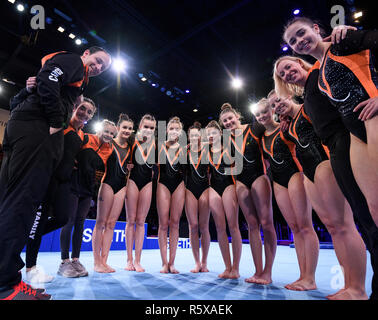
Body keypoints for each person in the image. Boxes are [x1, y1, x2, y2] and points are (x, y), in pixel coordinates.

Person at [0, 47, 111, 300]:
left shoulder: (71, 76)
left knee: (9, 204)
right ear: (86, 54)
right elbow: (49, 77)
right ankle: (6, 286)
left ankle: (7, 280)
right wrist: (54, 121)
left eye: (102, 67)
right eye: (97, 61)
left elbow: (19, 101)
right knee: (20, 206)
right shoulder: (74, 62)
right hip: (35, 134)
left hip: (22, 129)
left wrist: (30, 90)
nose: (97, 67)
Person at [273, 48, 378, 300]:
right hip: (312, 170)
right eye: (282, 73)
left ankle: (357, 288)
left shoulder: (314, 90)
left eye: (289, 67)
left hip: (328, 161)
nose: (288, 73)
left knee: (345, 224)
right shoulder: (293, 118)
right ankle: (348, 285)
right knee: (333, 226)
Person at [283, 17, 378, 228]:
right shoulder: (319, 72)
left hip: (373, 119)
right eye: (293, 41)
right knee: (372, 209)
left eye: (301, 33)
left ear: (316, 28)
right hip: (356, 135)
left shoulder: (342, 42)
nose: (299, 41)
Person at [25, 95, 97, 283]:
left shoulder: (82, 135)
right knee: (39, 221)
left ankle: (28, 233)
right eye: (82, 108)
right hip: (47, 178)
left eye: (89, 112)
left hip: (65, 183)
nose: (85, 113)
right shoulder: (63, 124)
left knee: (63, 218)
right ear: (74, 107)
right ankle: (30, 267)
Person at [251, 98, 320, 290]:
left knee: (305, 226)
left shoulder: (285, 128)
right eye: (257, 115)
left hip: (295, 174)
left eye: (264, 112)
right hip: (278, 180)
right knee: (294, 228)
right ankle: (302, 275)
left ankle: (310, 278)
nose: (261, 116)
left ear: (271, 111)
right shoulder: (262, 136)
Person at [219, 103, 276, 284]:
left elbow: (271, 128)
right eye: (225, 121)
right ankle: (258, 271)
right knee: (252, 226)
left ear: (237, 116)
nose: (228, 122)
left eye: (230, 118)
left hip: (259, 176)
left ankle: (267, 272)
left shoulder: (254, 128)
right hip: (241, 182)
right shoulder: (225, 138)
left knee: (266, 223)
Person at [91, 114, 133, 273]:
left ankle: (104, 261)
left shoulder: (130, 148)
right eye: (124, 127)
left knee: (111, 224)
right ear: (118, 128)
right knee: (100, 223)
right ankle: (96, 262)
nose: (127, 131)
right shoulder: (108, 143)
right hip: (108, 183)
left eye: (130, 128)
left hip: (122, 186)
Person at [205, 120, 242, 279]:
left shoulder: (231, 144)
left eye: (214, 133)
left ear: (220, 133)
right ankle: (227, 267)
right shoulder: (205, 150)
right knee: (220, 228)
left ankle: (236, 268)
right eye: (208, 135)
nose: (211, 136)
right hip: (213, 188)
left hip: (229, 185)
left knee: (233, 227)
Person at [125, 114, 157, 272]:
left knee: (141, 221)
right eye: (146, 126)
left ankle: (138, 260)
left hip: (147, 183)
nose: (149, 130)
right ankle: (129, 260)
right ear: (139, 127)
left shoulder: (156, 144)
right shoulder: (131, 139)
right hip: (132, 181)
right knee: (131, 220)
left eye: (152, 128)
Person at [156, 117, 186, 274]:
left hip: (179, 185)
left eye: (177, 129)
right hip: (163, 184)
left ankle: (172, 263)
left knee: (175, 223)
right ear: (167, 130)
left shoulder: (185, 148)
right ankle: (164, 262)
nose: (174, 131)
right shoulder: (159, 146)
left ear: (180, 132)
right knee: (163, 224)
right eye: (172, 128)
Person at [185, 122, 210, 273]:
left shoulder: (208, 148)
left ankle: (205, 262)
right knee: (193, 226)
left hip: (205, 188)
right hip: (190, 190)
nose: (195, 137)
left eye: (197, 135)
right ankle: (196, 262)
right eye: (192, 135)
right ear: (188, 137)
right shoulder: (185, 151)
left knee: (204, 227)